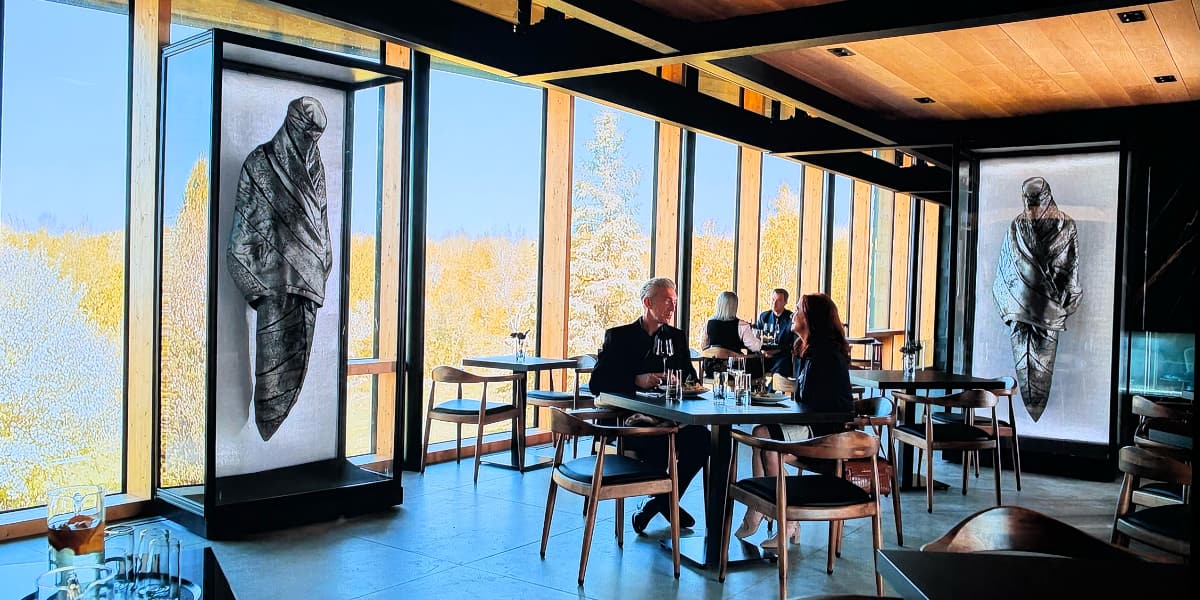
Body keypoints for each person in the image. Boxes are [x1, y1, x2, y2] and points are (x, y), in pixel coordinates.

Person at [589, 277, 712, 534]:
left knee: (703, 439)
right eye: (667, 300)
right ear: (647, 302)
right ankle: (665, 501)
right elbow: (597, 382)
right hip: (629, 421)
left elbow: (691, 379)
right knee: (657, 446)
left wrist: (681, 381)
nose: (672, 307)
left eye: (675, 301)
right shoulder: (619, 336)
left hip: (669, 418)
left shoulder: (676, 338)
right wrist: (636, 380)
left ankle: (660, 501)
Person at [734, 292, 853, 549]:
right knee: (759, 435)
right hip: (810, 425)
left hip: (825, 435)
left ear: (812, 318)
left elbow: (827, 408)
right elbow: (806, 401)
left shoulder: (826, 355)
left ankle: (785, 520)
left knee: (766, 441)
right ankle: (759, 507)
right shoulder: (807, 350)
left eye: (798, 309)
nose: (794, 313)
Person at [992, 176, 1081, 422]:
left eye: (1036, 202)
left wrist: (1066, 300)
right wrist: (1010, 304)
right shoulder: (1016, 226)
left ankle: (1039, 411)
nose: (1032, 209)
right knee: (1025, 371)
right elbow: (1005, 268)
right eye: (1027, 203)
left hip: (1050, 311)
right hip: (1020, 313)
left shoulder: (1066, 226)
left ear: (1048, 198)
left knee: (1041, 374)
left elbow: (1072, 269)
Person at [700, 291, 763, 378]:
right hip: (733, 370)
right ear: (735, 306)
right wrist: (758, 338)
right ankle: (754, 388)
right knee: (756, 361)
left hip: (711, 369)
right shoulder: (742, 325)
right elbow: (756, 347)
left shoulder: (708, 323)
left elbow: (703, 346)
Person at [756, 288, 795, 375]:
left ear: (785, 302)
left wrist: (775, 351)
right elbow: (756, 338)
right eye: (773, 299)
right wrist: (762, 351)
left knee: (782, 366)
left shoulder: (791, 318)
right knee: (751, 364)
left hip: (781, 357)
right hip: (764, 356)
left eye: (779, 300)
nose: (774, 303)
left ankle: (773, 388)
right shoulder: (764, 317)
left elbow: (791, 343)